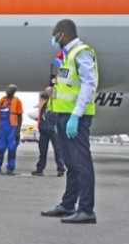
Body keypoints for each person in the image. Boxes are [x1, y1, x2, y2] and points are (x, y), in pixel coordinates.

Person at [41, 19, 99, 224]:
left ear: (62, 35)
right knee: (71, 164)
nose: (53, 39)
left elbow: (89, 84)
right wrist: (52, 91)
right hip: (62, 116)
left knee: (81, 163)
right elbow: (69, 85)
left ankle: (86, 210)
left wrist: (76, 115)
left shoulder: (81, 52)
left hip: (76, 117)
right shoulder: (66, 57)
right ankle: (68, 204)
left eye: (54, 35)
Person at [32, 86, 66, 177]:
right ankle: (39, 169)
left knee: (58, 150)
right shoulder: (43, 103)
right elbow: (41, 115)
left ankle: (61, 169)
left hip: (54, 130)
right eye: (45, 91)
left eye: (47, 91)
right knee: (42, 151)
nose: (45, 93)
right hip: (43, 129)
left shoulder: (57, 102)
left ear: (51, 92)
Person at [0, 84, 23, 175]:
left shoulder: (17, 101)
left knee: (12, 148)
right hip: (2, 127)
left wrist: (18, 131)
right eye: (7, 88)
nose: (7, 90)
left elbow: (20, 116)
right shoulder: (2, 100)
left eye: (9, 89)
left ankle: (10, 168)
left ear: (14, 91)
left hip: (12, 127)